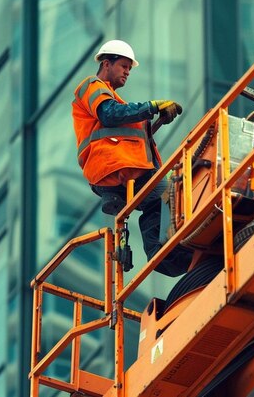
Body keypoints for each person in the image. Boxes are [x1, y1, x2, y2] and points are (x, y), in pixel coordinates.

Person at [72, 39, 191, 277]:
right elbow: (110, 115)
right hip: (115, 166)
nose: (128, 71)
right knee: (172, 193)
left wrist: (153, 123)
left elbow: (124, 133)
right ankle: (173, 250)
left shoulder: (114, 99)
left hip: (122, 167)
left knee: (157, 204)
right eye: (124, 65)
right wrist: (153, 106)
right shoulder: (93, 86)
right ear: (107, 63)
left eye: (129, 67)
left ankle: (163, 256)